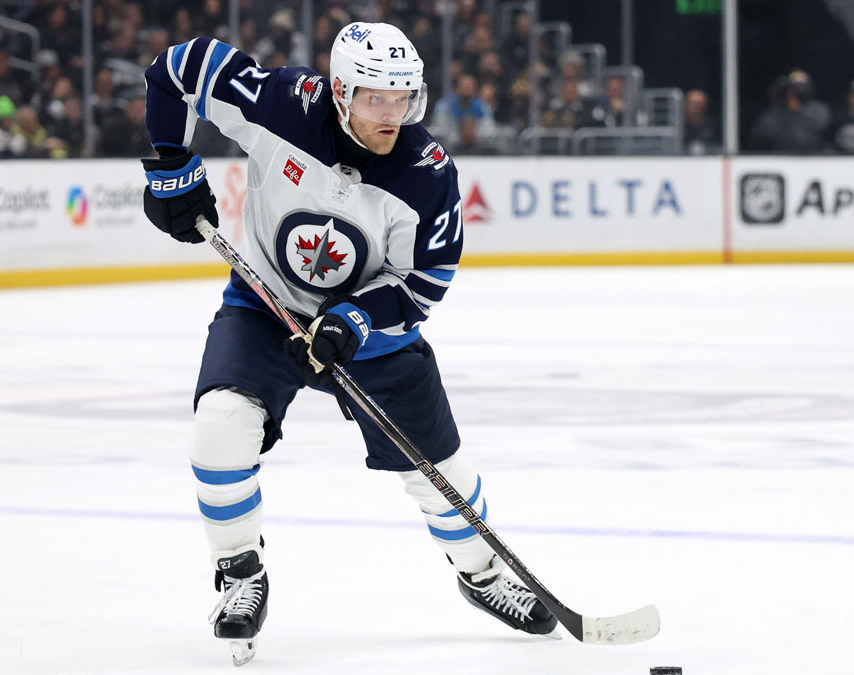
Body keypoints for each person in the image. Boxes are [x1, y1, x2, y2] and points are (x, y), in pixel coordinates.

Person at [140, 21, 557, 665]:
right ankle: (240, 574)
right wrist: (170, 161)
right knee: (219, 424)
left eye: (405, 98)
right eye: (376, 98)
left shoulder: (426, 173)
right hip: (264, 307)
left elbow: (420, 286)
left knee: (442, 472)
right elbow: (175, 67)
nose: (393, 115)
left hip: (372, 340)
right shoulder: (277, 104)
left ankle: (482, 573)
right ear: (339, 92)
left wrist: (353, 321)